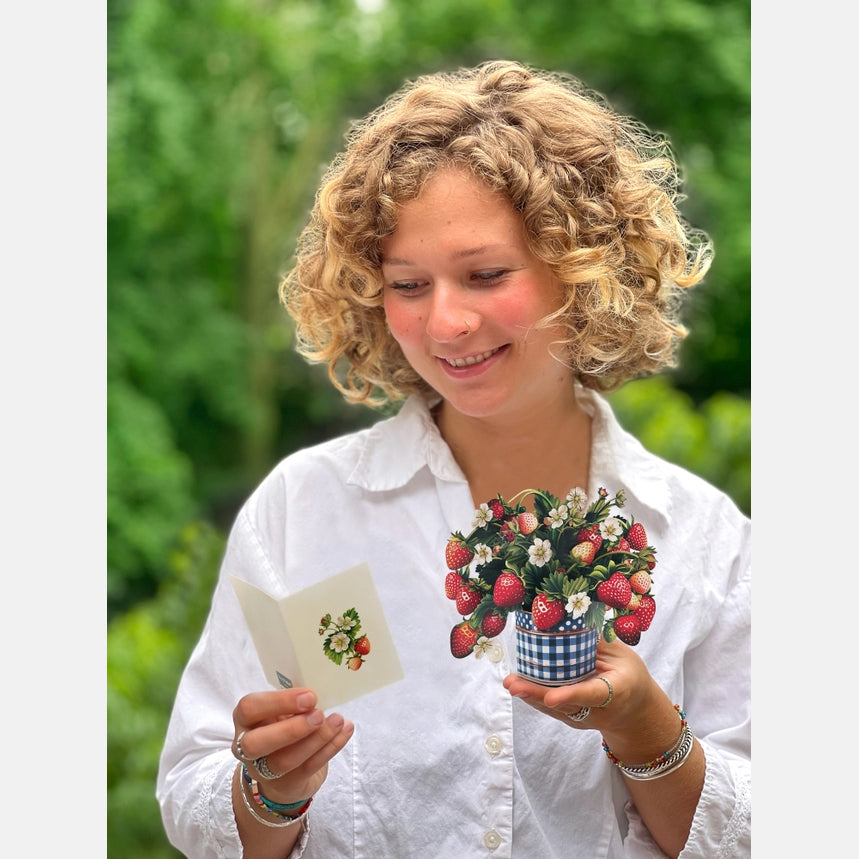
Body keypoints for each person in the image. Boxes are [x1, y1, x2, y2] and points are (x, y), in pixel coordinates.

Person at [157, 60, 751, 858]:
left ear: (581, 268)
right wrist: (267, 789)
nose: (445, 322)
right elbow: (193, 798)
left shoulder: (700, 538)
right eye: (407, 284)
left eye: (485, 275)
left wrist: (649, 734)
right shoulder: (304, 509)